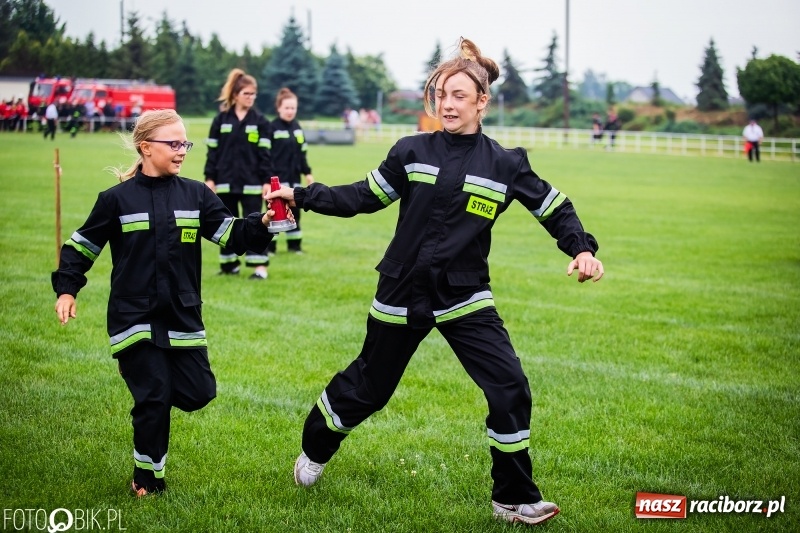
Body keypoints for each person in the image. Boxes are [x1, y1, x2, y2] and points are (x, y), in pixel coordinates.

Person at [266, 37, 604, 527]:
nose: (447, 103)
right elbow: (363, 196)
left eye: (459, 95)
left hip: (465, 294)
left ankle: (513, 499)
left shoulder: (505, 164)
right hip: (402, 289)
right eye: (442, 94)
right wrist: (302, 194)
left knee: (510, 387)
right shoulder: (411, 150)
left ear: (482, 102)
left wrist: (582, 248)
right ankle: (314, 450)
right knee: (368, 389)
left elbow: (555, 208)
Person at [52, 109, 279, 497]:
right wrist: (67, 288)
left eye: (185, 143)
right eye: (173, 143)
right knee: (155, 396)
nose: (182, 151)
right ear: (146, 148)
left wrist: (264, 222)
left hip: (181, 313)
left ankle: (146, 385)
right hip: (133, 316)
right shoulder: (115, 200)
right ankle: (147, 478)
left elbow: (232, 235)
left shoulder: (196, 194)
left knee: (199, 392)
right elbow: (81, 246)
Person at [204, 68, 274, 279]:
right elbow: (212, 152)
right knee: (227, 222)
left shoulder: (261, 122)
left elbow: (266, 155)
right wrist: (210, 178)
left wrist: (267, 180)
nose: (251, 98)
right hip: (224, 182)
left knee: (257, 223)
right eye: (247, 94)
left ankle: (259, 267)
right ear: (235, 95)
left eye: (254, 94)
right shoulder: (220, 120)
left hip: (252, 182)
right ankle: (229, 264)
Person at [267, 87, 314, 255]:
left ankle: (295, 246)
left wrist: (307, 173)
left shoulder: (297, 128)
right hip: (277, 181)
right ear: (279, 107)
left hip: (294, 179)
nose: (290, 111)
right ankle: (270, 247)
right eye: (286, 107)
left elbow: (302, 154)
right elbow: (266, 156)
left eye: (293, 108)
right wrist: (268, 180)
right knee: (275, 214)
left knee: (295, 212)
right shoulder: (271, 127)